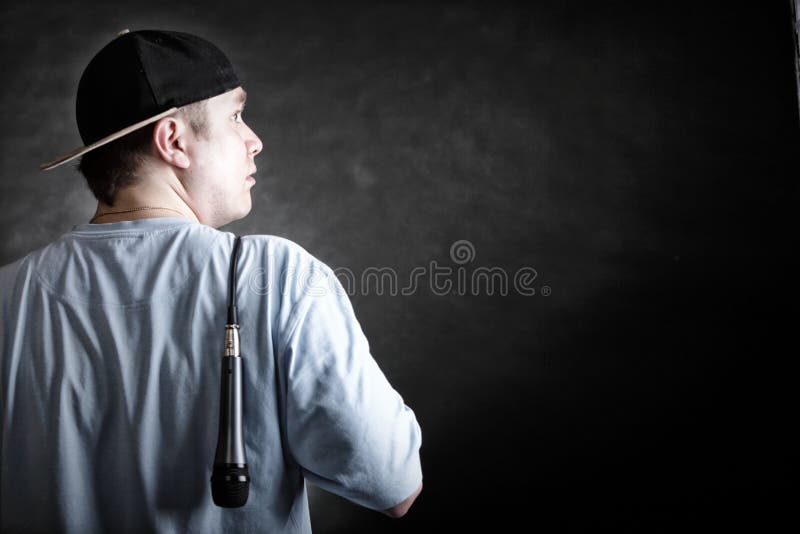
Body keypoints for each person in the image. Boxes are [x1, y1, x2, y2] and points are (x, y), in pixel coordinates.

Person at [0, 29, 422, 533]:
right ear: (174, 140)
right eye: (236, 116)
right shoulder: (280, 277)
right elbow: (392, 480)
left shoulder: (7, 297)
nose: (254, 140)